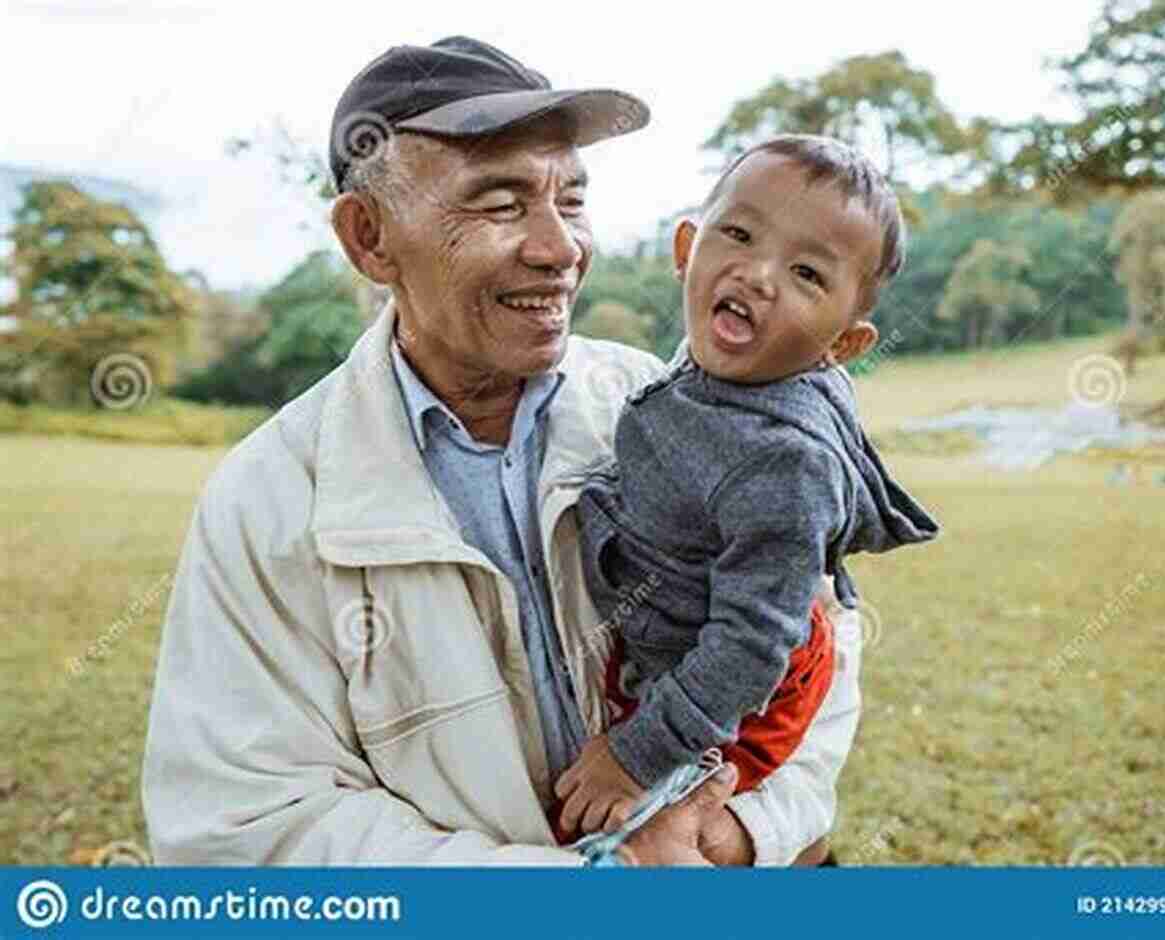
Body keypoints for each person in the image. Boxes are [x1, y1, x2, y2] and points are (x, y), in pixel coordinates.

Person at [141, 37, 865, 866]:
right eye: (499, 203)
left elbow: (812, 644)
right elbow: (247, 828)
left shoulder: (672, 407)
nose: (559, 249)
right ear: (371, 237)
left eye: (573, 199)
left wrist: (737, 834)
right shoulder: (266, 502)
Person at [554, 136, 939, 835]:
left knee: (628, 831)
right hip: (677, 648)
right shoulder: (715, 363)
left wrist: (637, 755)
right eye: (738, 234)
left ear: (843, 344)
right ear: (685, 250)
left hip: (746, 689)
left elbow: (752, 646)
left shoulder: (785, 462)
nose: (759, 275)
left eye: (807, 275)